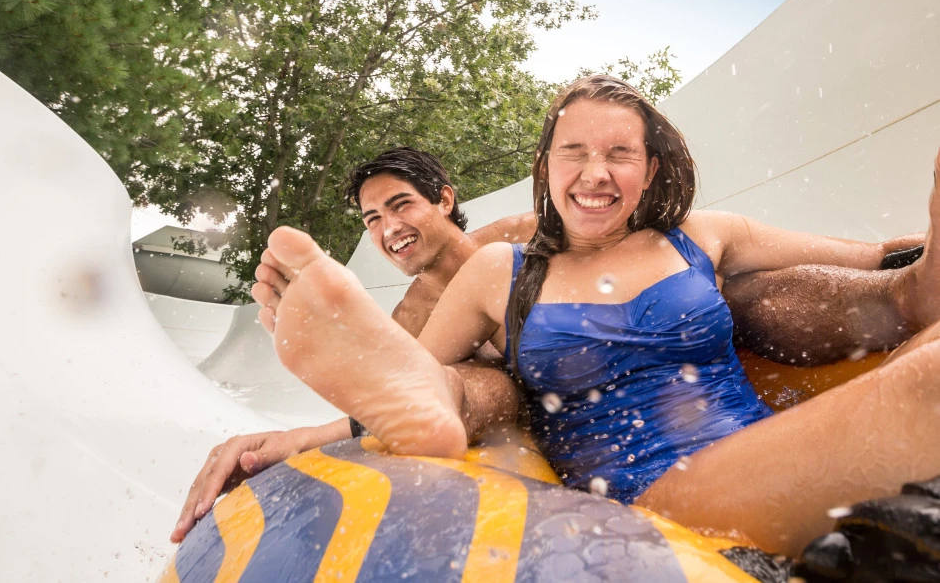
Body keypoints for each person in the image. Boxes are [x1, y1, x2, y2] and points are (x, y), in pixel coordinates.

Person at [248, 75, 940, 556]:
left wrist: (923, 261)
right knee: (932, 382)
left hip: (763, 455)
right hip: (658, 493)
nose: (595, 173)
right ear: (546, 165)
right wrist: (302, 435)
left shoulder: (701, 234)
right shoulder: (502, 271)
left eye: (619, 154)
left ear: (652, 168)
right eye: (574, 153)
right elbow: (411, 378)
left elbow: (872, 254)